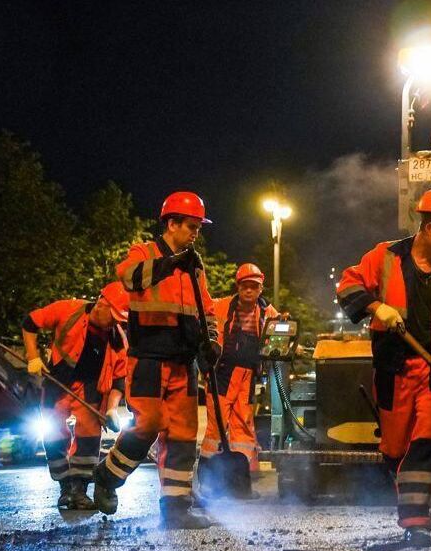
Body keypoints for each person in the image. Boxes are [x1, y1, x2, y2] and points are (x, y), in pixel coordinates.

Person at [335, 188, 431, 549]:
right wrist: (375, 306)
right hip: (393, 370)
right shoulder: (385, 256)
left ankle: (417, 523)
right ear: (427, 227)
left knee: (425, 444)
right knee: (396, 449)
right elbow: (348, 285)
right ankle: (402, 490)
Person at [93, 191, 220, 529]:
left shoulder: (195, 265)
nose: (195, 233)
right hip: (148, 357)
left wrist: (212, 343)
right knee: (147, 424)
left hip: (184, 361)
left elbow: (206, 308)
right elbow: (130, 277)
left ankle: (177, 508)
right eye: (190, 226)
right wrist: (170, 264)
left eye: (198, 227)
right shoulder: (145, 252)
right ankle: (107, 476)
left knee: (183, 434)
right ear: (171, 223)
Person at [22, 282, 129, 509]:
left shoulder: (118, 338)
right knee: (53, 433)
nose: (115, 322)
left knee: (89, 437)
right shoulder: (67, 310)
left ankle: (79, 490)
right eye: (114, 316)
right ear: (101, 303)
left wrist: (111, 408)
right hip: (58, 383)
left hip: (90, 389)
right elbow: (30, 322)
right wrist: (33, 356)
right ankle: (64, 487)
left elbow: (120, 378)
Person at [199, 262, 280, 498]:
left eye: (253, 287)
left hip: (246, 378)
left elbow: (280, 334)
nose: (248, 291)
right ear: (238, 286)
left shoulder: (268, 314)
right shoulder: (221, 306)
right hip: (221, 375)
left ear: (260, 289)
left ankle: (240, 486)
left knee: (243, 431)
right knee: (215, 432)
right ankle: (207, 483)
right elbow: (203, 327)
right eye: (245, 286)